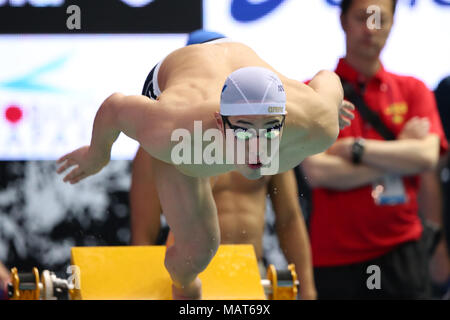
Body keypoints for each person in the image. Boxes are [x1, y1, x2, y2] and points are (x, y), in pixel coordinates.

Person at [56, 35, 353, 299]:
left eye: (270, 130)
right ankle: (184, 282)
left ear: (285, 120)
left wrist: (334, 105)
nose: (258, 148)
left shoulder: (317, 123)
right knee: (199, 248)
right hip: (179, 83)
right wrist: (97, 155)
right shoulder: (178, 131)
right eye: (245, 131)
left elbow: (327, 78)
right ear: (218, 124)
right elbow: (116, 108)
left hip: (240, 66)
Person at [301, 0, 448, 299]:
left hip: (401, 251)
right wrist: (399, 154)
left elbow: (426, 157)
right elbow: (317, 171)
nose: (370, 28)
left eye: (380, 18)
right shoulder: (312, 94)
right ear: (343, 21)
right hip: (334, 258)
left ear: (393, 24)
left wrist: (355, 149)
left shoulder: (414, 90)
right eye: (361, 17)